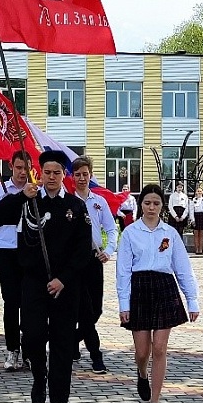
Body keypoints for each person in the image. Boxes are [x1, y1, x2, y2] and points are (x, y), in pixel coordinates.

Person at [0, 150, 93, 403]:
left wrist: (64, 278)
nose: (52, 177)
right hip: (33, 282)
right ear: (40, 173)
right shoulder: (27, 201)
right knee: (32, 335)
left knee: (62, 344)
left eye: (57, 173)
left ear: (63, 175)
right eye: (47, 172)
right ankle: (38, 375)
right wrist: (23, 196)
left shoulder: (75, 206)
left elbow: (83, 250)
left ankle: (58, 402)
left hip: (64, 285)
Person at [117, 184, 200, 403]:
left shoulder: (170, 233)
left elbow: (183, 268)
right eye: (147, 203)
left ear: (162, 206)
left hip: (164, 288)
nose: (151, 207)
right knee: (143, 351)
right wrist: (124, 304)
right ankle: (142, 373)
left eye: (156, 203)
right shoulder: (130, 233)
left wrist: (192, 299)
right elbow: (122, 272)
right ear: (140, 205)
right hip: (140, 289)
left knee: (160, 348)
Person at [0, 150, 31, 372]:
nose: (22, 172)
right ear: (11, 166)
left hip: (30, 252)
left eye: (26, 168)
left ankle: (30, 350)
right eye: (19, 167)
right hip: (7, 252)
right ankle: (13, 348)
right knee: (11, 303)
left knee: (31, 303)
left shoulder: (35, 192)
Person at [71, 155, 118, 373]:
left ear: (91, 175)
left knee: (96, 310)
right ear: (72, 177)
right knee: (84, 310)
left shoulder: (99, 202)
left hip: (94, 258)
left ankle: (71, 339)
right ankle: (96, 355)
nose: (82, 178)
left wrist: (108, 251)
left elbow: (111, 229)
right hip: (74, 262)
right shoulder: (68, 202)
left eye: (85, 174)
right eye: (78, 174)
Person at [190, 187, 203, 255]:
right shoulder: (193, 200)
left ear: (202, 192)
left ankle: (200, 249)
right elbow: (191, 210)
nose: (199, 192)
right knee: (196, 234)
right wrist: (192, 220)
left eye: (200, 191)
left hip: (202, 217)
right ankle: (196, 249)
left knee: (201, 235)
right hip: (196, 216)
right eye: (198, 191)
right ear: (196, 192)